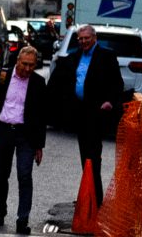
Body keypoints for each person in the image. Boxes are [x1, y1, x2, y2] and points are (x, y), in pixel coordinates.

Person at [47, 24, 123, 206]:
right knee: (85, 155)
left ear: (94, 38)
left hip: (96, 113)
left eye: (86, 38)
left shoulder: (106, 56)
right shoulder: (75, 56)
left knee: (93, 156)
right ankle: (88, 194)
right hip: (80, 112)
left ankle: (95, 200)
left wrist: (110, 101)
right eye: (80, 39)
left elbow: (117, 83)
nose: (83, 42)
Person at [0, 46, 47, 235]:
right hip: (3, 130)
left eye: (31, 65)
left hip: (26, 135)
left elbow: (40, 117)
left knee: (25, 175)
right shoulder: (3, 76)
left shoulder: (38, 82)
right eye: (24, 64)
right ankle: (0, 212)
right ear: (17, 61)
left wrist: (39, 145)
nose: (27, 69)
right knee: (2, 174)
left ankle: (23, 219)